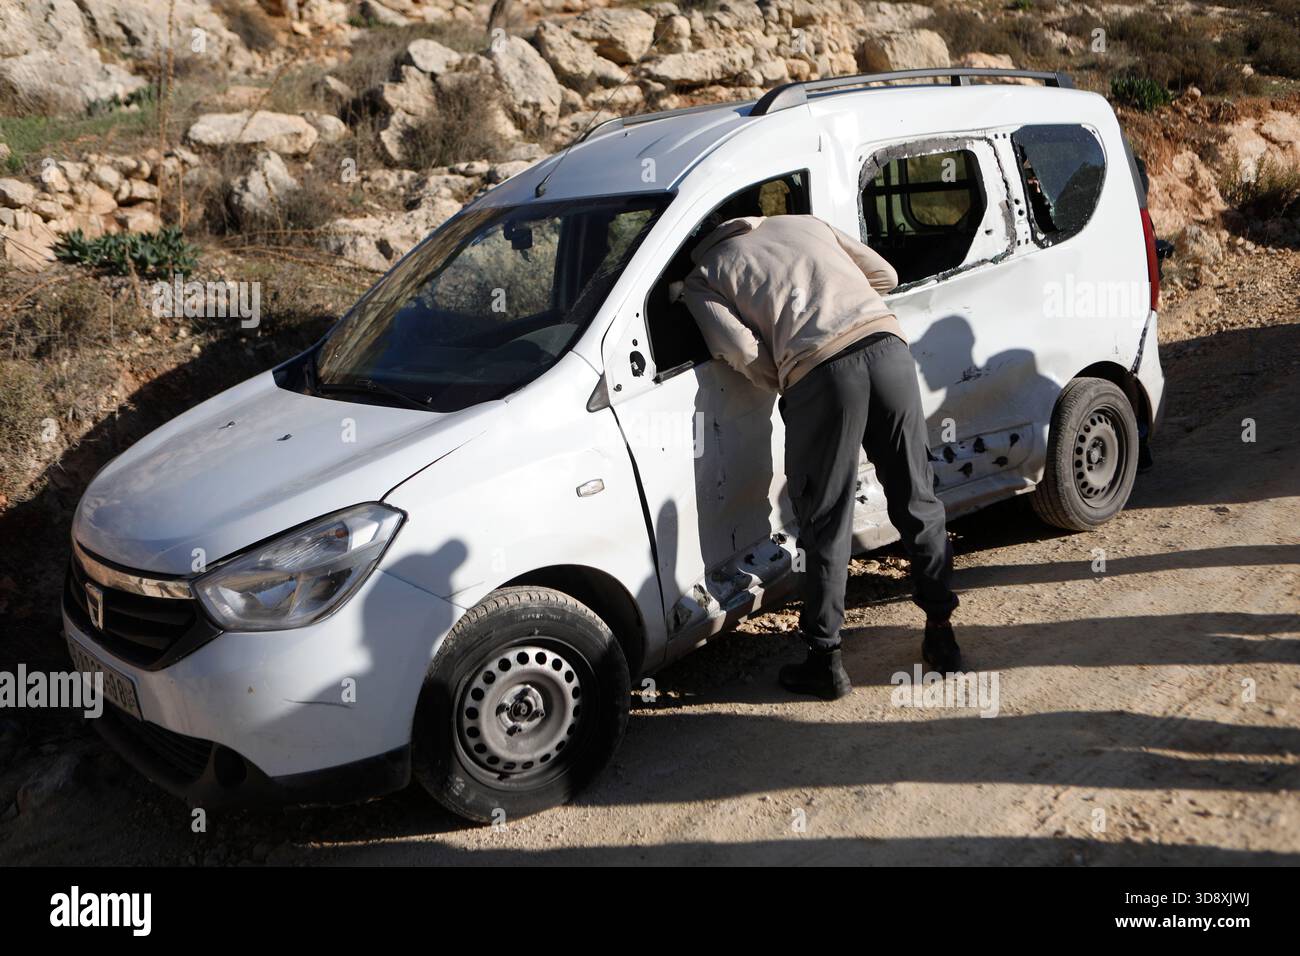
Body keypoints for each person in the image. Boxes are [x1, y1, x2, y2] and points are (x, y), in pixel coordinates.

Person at [675, 213, 961, 700]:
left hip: (822, 374)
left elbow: (739, 347)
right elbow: (886, 277)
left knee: (825, 518)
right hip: (888, 347)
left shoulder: (704, 278)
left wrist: (786, 375)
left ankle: (825, 660)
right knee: (916, 496)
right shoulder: (805, 222)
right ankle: (942, 634)